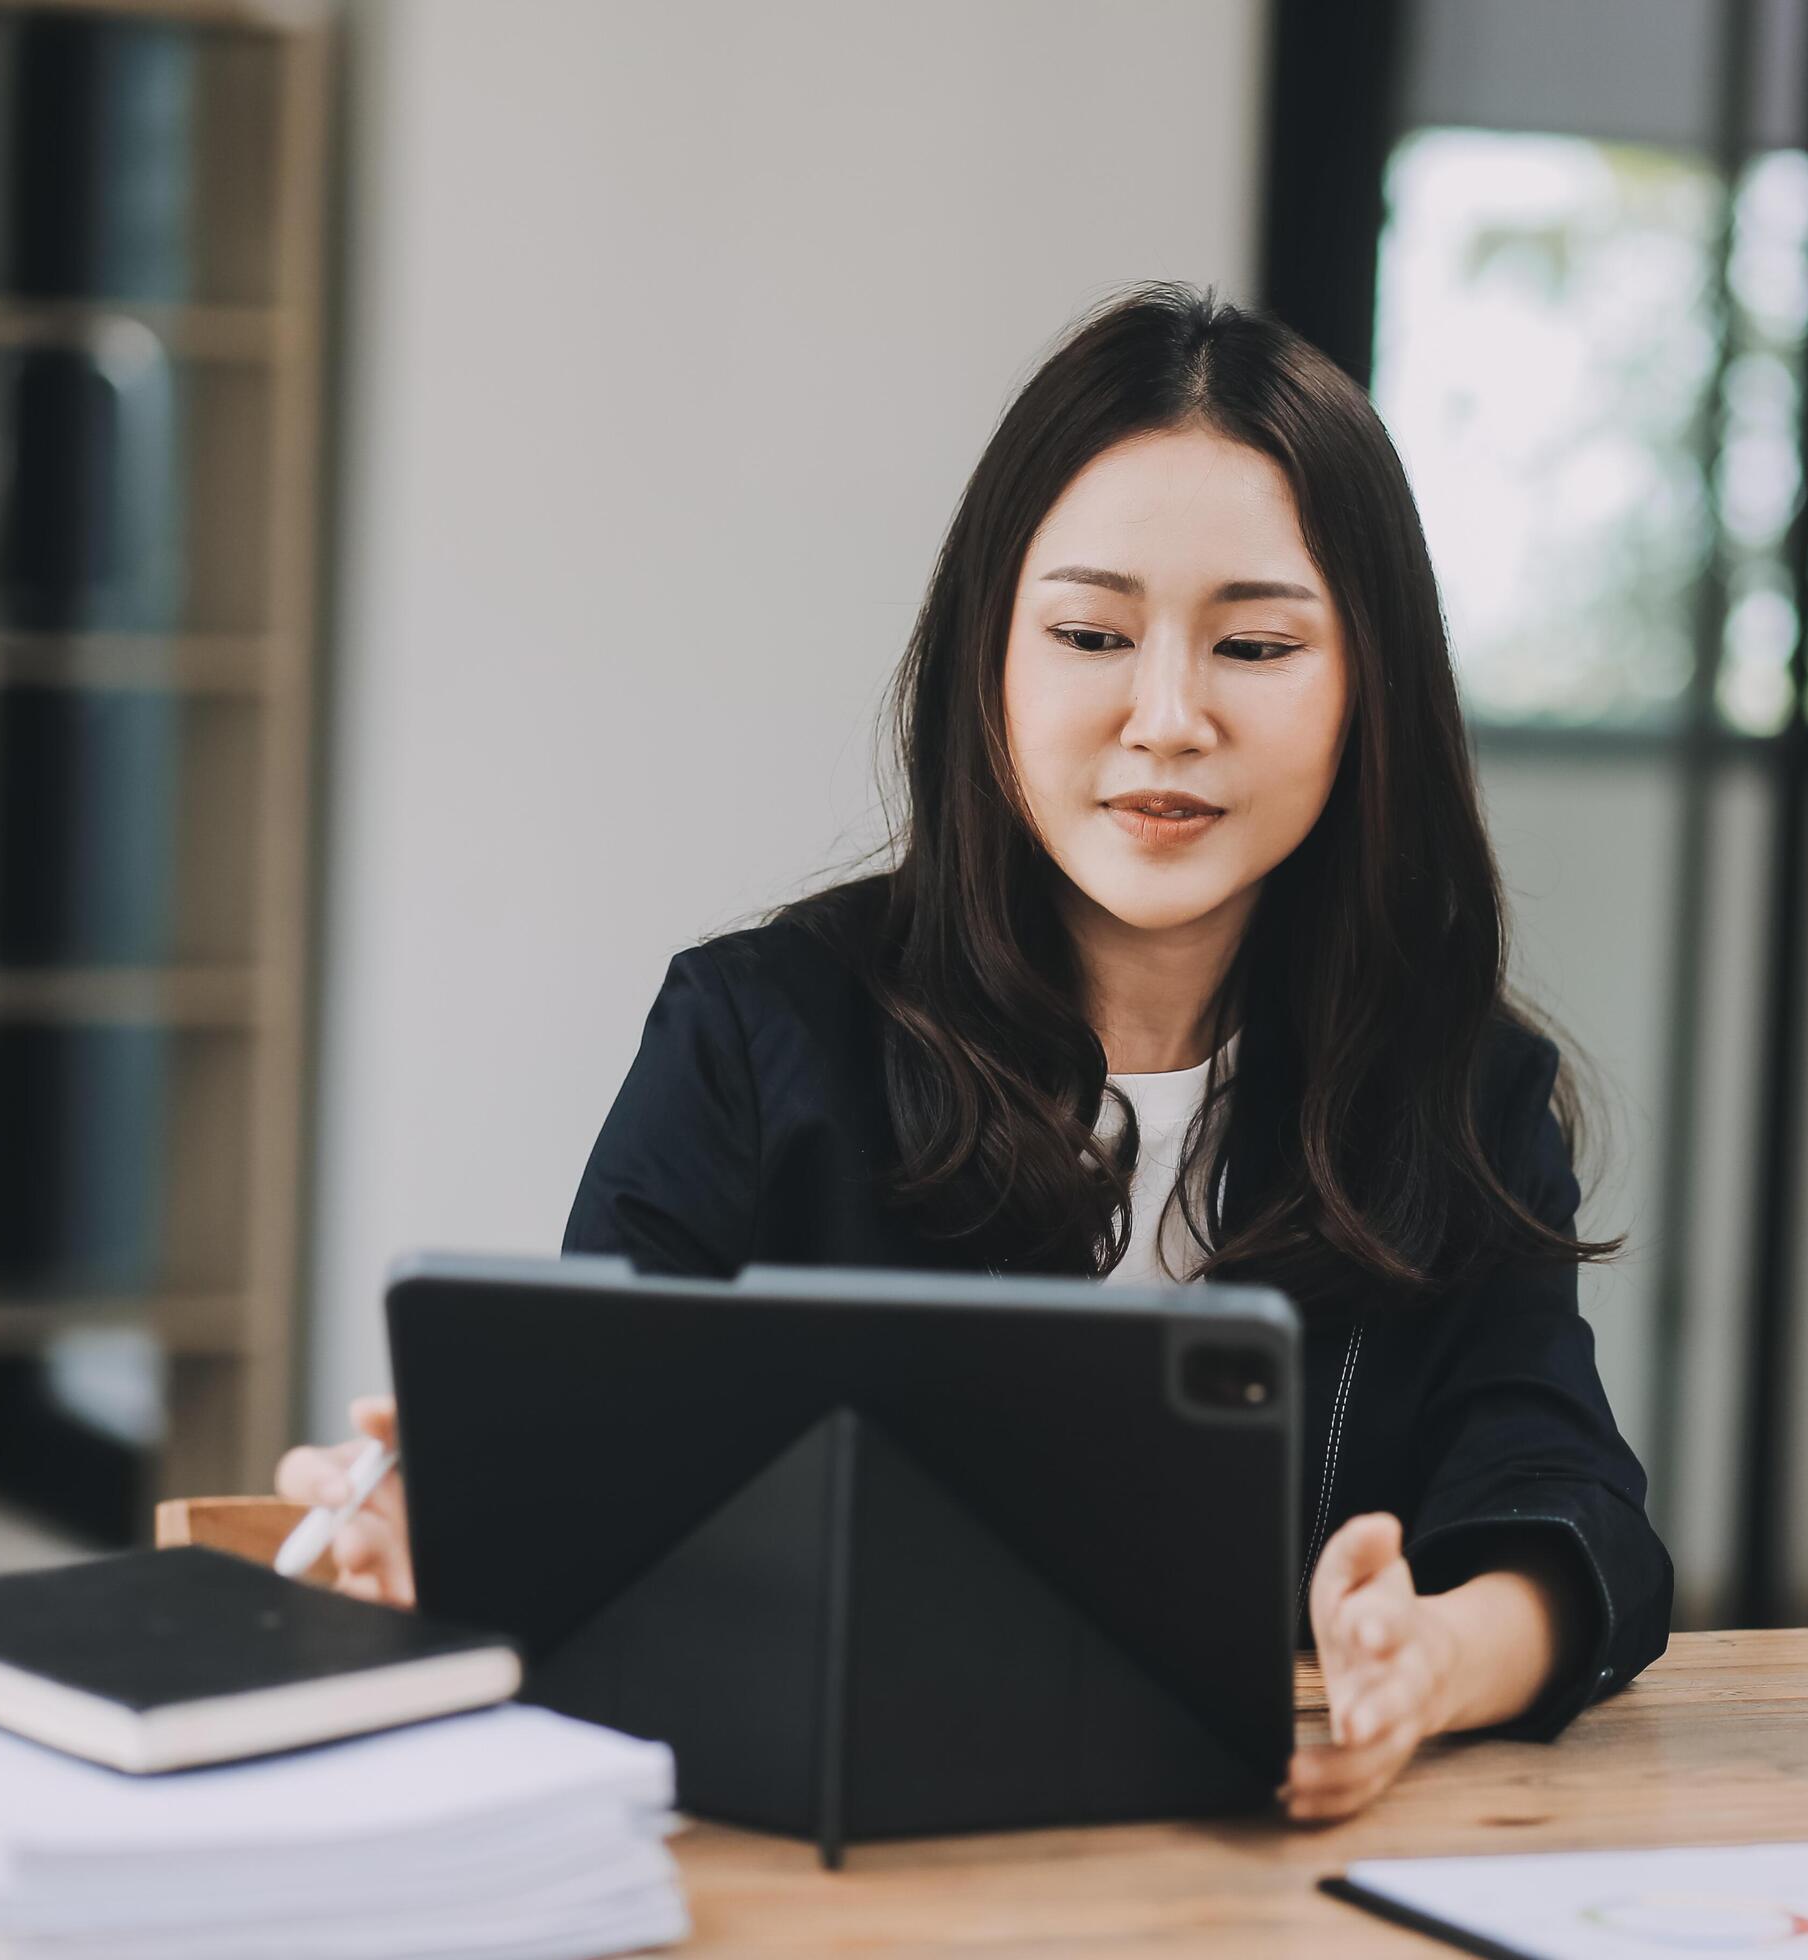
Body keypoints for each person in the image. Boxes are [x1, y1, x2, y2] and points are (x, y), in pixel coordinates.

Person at [279, 283, 1672, 1822]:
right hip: (841, 1865)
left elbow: (1567, 1506)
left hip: (1256, 1889)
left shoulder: (1456, 1092)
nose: (1166, 718)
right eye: (1090, 633)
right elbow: (602, 1495)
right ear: (988, 662)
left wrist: (1430, 1659)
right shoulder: (757, 1040)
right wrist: (469, 1539)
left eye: (1257, 646)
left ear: (1370, 690)